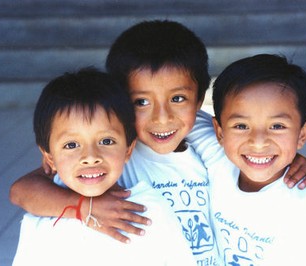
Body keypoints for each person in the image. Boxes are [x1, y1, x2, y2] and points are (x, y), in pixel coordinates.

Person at [9, 20, 306, 265]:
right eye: (141, 102)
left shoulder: (206, 137)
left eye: (177, 98)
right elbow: (23, 191)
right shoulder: (112, 152)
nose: (162, 118)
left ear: (199, 99)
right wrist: (85, 207)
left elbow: (250, 142)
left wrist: (287, 157)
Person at [12, 68, 196, 266]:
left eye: (106, 141)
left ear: (128, 149)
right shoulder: (41, 218)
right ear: (49, 157)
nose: (90, 157)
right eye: (71, 145)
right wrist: (85, 208)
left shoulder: (150, 212)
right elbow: (18, 192)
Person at [188, 54, 306, 265]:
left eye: (277, 127)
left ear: (302, 133)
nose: (258, 142)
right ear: (219, 131)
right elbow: (170, 118)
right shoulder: (218, 158)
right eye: (241, 126)